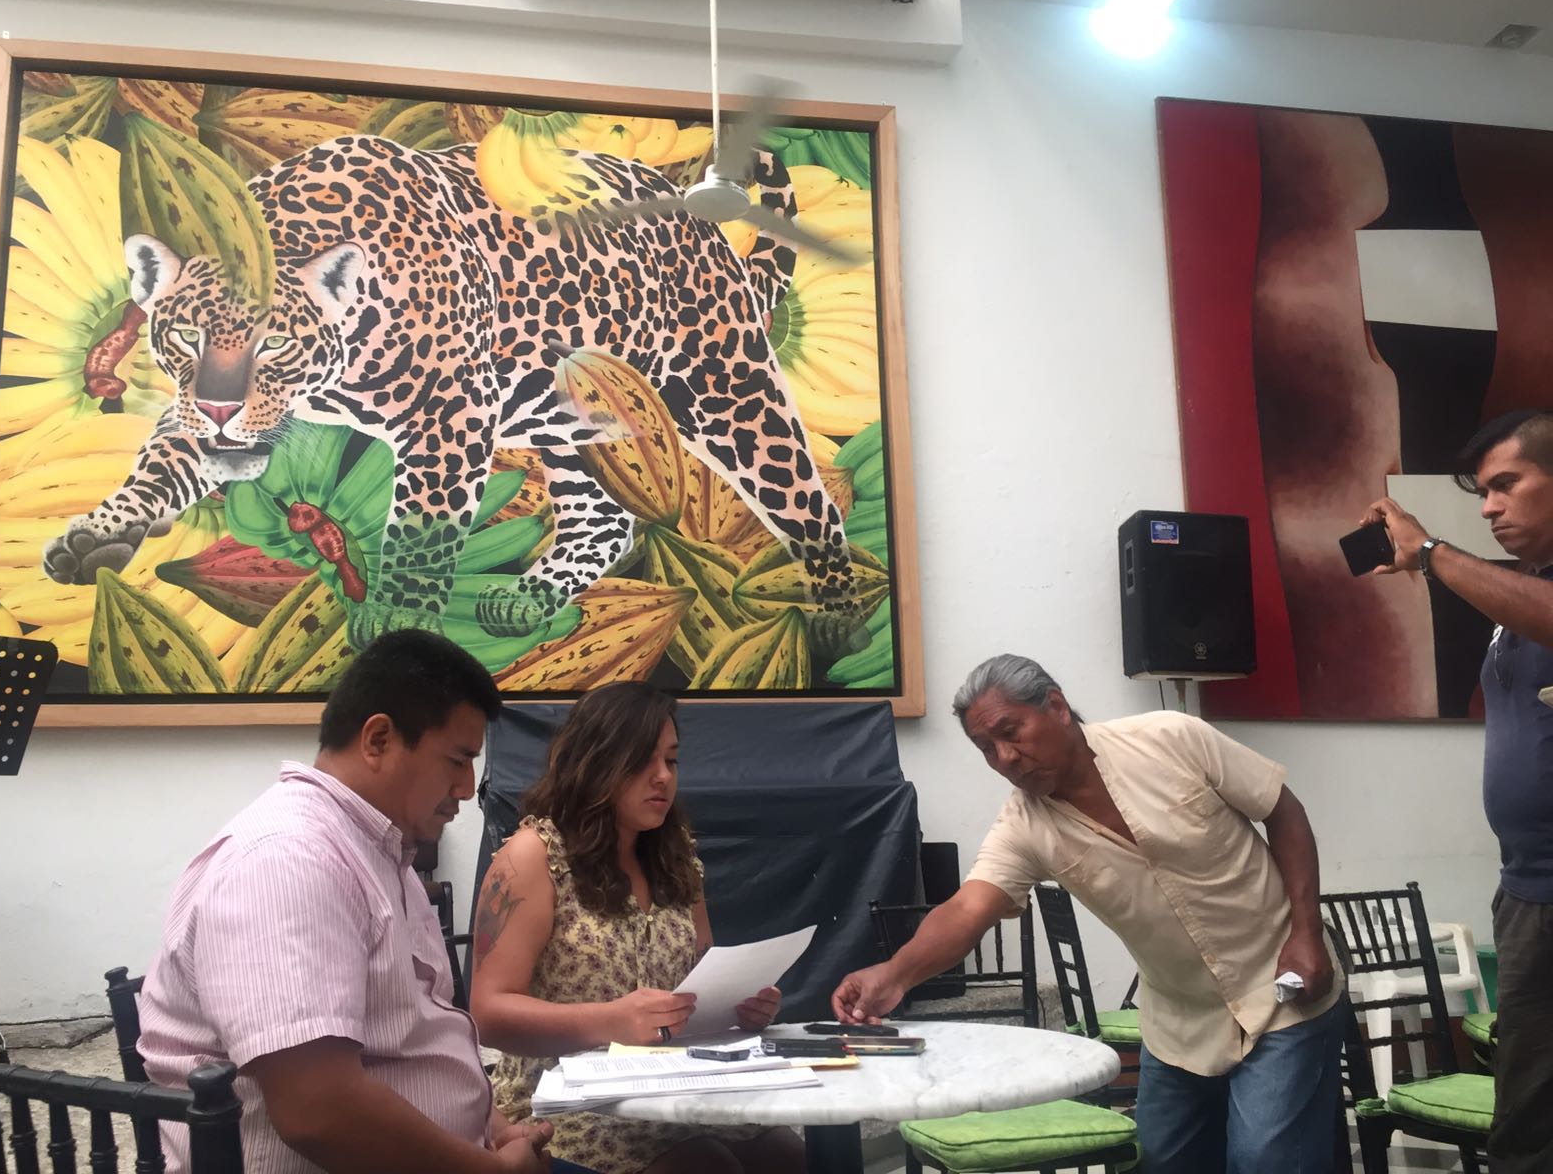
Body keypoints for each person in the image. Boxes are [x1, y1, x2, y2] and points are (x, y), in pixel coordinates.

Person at [831, 655, 1346, 1174]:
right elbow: (967, 908)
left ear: (1056, 706)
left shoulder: (1171, 737)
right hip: (1181, 1022)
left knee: (1265, 1159)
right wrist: (893, 974)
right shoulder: (1023, 826)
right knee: (1156, 1163)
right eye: (986, 747)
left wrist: (1306, 932)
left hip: (1281, 987)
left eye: (1011, 732)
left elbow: (1283, 810)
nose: (1005, 758)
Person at [138, 629, 560, 1174]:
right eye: (458, 760)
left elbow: (410, 1040)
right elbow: (317, 1110)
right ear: (378, 740)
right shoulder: (287, 861)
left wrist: (490, 1127)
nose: (466, 787)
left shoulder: (378, 852)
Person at [471, 682, 805, 1174]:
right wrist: (609, 1020)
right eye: (643, 761)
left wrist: (740, 1008)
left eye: (671, 760)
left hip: (671, 1086)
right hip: (566, 1098)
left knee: (789, 1156)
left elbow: (698, 981)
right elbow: (489, 1011)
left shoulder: (676, 857)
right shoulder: (534, 857)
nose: (663, 777)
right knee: (707, 1169)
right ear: (596, 762)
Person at [1362, 408, 1553, 1174]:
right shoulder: (1524, 591)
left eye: (1506, 485)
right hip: (1528, 890)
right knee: (1527, 1123)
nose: (1489, 507)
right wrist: (1426, 560)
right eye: (1482, 492)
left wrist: (1433, 552)